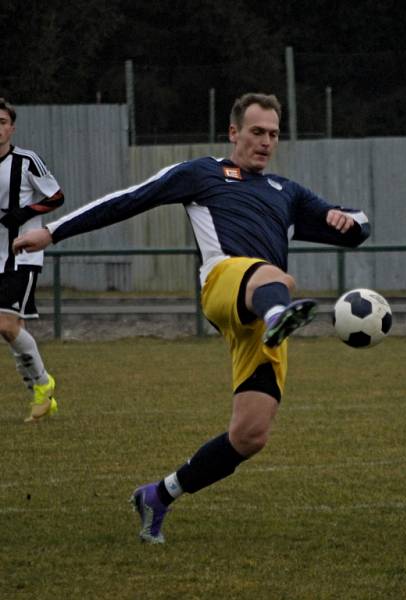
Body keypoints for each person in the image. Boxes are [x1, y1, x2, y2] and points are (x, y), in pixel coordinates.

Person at [13, 92, 370, 544]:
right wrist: (52, 231)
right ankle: (280, 312)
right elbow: (128, 199)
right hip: (224, 284)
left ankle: (160, 495)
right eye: (256, 132)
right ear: (233, 132)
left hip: (259, 316)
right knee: (274, 276)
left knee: (251, 434)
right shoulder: (203, 173)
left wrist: (345, 219)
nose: (265, 142)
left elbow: (357, 229)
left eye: (274, 134)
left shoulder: (288, 194)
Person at [0, 97, 64, 423]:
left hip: (22, 255)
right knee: (13, 330)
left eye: (2, 122)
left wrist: (23, 213)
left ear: (11, 127)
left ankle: (43, 385)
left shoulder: (26, 161)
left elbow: (56, 196)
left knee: (6, 325)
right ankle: (42, 396)